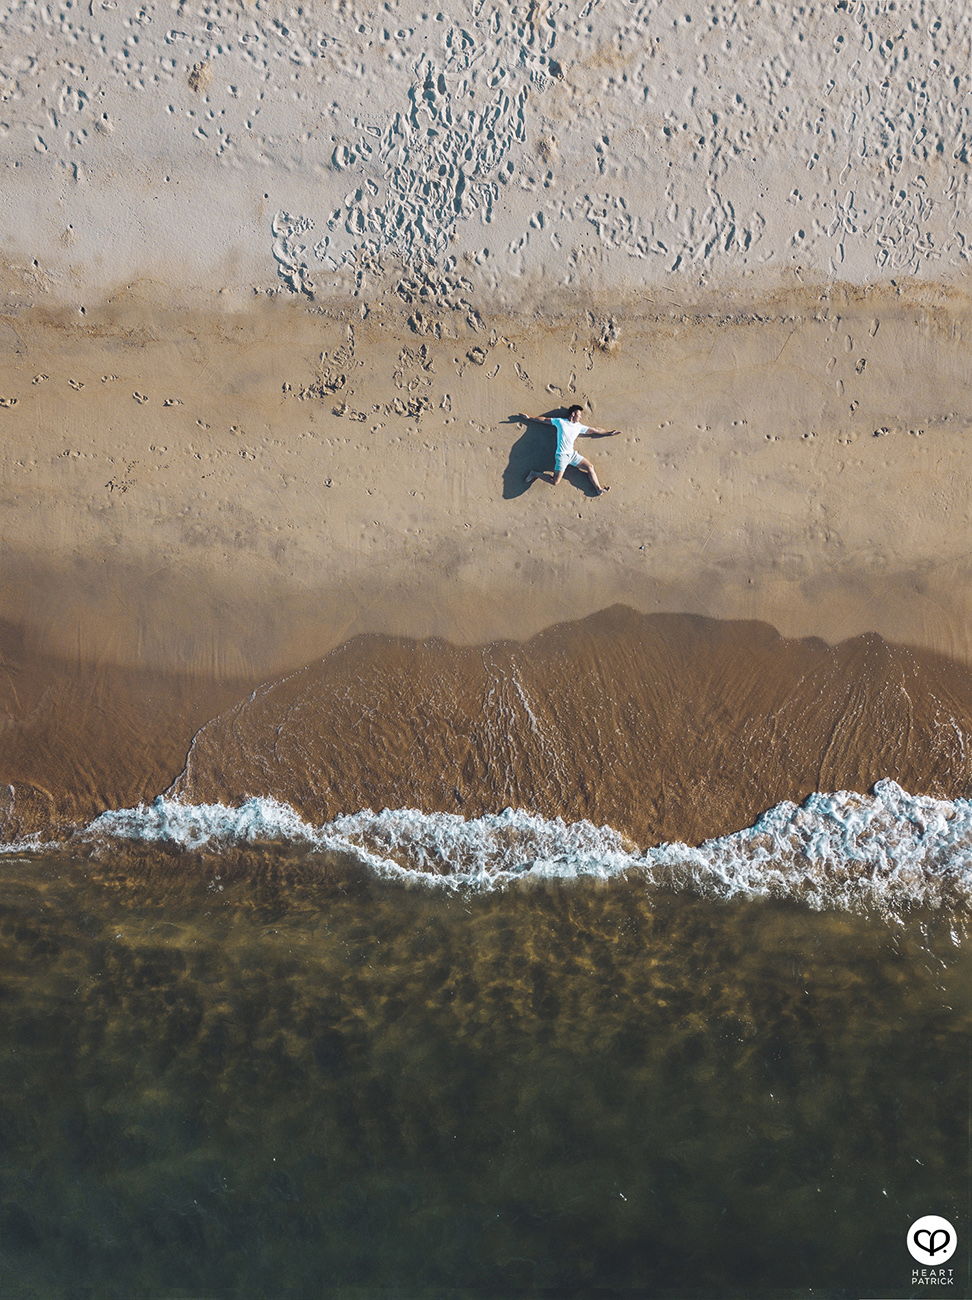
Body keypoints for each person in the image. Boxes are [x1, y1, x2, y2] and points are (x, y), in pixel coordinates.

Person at [520, 405, 621, 495]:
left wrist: (609, 432)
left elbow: (595, 430)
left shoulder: (579, 426)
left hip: (572, 455)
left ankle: (598, 489)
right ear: (573, 414)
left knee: (590, 467)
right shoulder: (561, 422)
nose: (580, 417)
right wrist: (529, 418)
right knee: (555, 482)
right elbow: (544, 420)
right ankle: (535, 474)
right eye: (579, 415)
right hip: (562, 456)